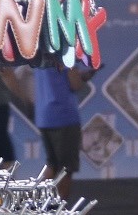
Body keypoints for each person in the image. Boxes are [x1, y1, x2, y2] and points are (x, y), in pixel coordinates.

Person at [28, 62, 94, 198]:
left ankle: (37, 201)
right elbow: (75, 84)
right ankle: (58, 208)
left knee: (52, 164)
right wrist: (83, 77)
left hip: (44, 115)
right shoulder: (66, 54)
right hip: (64, 115)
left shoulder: (39, 53)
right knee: (66, 169)